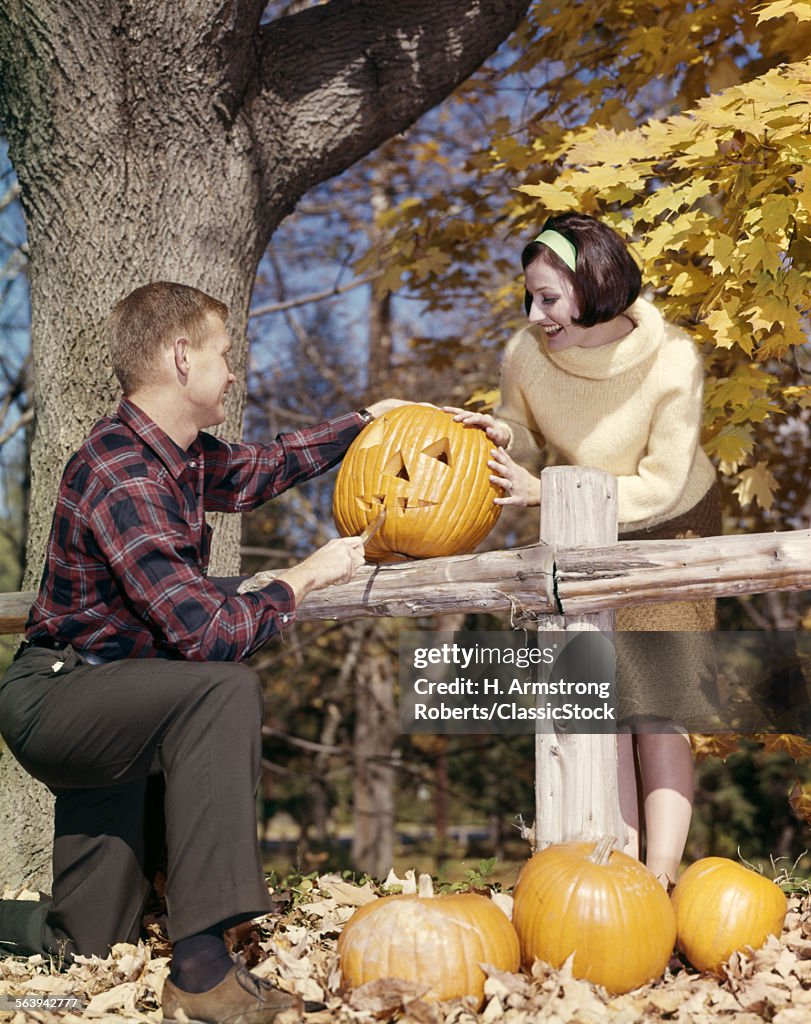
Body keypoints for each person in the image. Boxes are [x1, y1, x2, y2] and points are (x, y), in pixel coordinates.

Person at [0, 281, 408, 1022]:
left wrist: (366, 423)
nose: (233, 372)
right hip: (62, 698)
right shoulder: (120, 471)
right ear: (181, 358)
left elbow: (261, 469)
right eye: (224, 355)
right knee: (224, 685)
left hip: (122, 705)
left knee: (86, 941)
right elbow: (207, 635)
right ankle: (201, 971)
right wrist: (302, 578)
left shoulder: (181, 458)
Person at [449, 212, 720, 886]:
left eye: (547, 298)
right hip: (576, 518)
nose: (535, 314)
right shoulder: (526, 352)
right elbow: (523, 423)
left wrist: (545, 491)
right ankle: (618, 874)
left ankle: (658, 879)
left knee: (654, 707)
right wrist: (505, 437)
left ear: (595, 285)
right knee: (600, 705)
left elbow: (658, 484)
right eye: (530, 297)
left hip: (668, 520)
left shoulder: (673, 360)